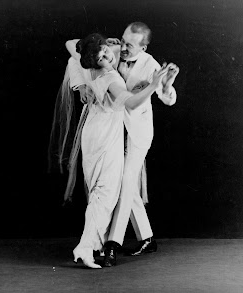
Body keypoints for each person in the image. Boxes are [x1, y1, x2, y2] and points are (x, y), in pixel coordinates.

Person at [67, 22, 180, 267]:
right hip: (113, 131)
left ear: (144, 46)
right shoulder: (112, 51)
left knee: (126, 182)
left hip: (137, 132)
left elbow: (167, 98)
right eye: (122, 40)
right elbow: (75, 52)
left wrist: (167, 84)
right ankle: (147, 237)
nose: (122, 47)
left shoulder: (151, 65)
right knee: (121, 183)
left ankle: (112, 245)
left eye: (129, 44)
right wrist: (81, 85)